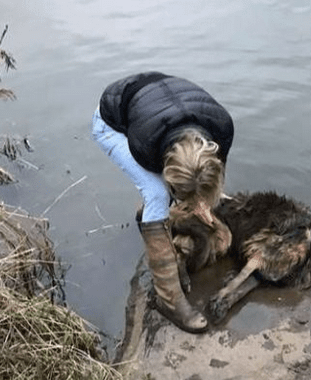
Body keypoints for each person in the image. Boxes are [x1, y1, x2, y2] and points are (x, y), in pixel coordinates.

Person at [91, 72, 234, 333]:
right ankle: (167, 300)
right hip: (111, 121)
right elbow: (161, 182)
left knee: (181, 194)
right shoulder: (145, 144)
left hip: (158, 106)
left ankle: (147, 216)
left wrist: (202, 201)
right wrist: (170, 202)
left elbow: (212, 173)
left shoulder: (222, 128)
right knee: (156, 193)